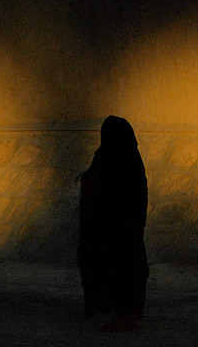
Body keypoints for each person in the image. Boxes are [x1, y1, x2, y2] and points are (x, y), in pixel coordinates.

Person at [78, 115, 149, 331]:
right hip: (124, 229)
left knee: (114, 269)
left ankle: (117, 314)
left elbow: (97, 193)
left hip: (110, 229)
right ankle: (123, 313)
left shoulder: (108, 158)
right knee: (125, 269)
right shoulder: (130, 159)